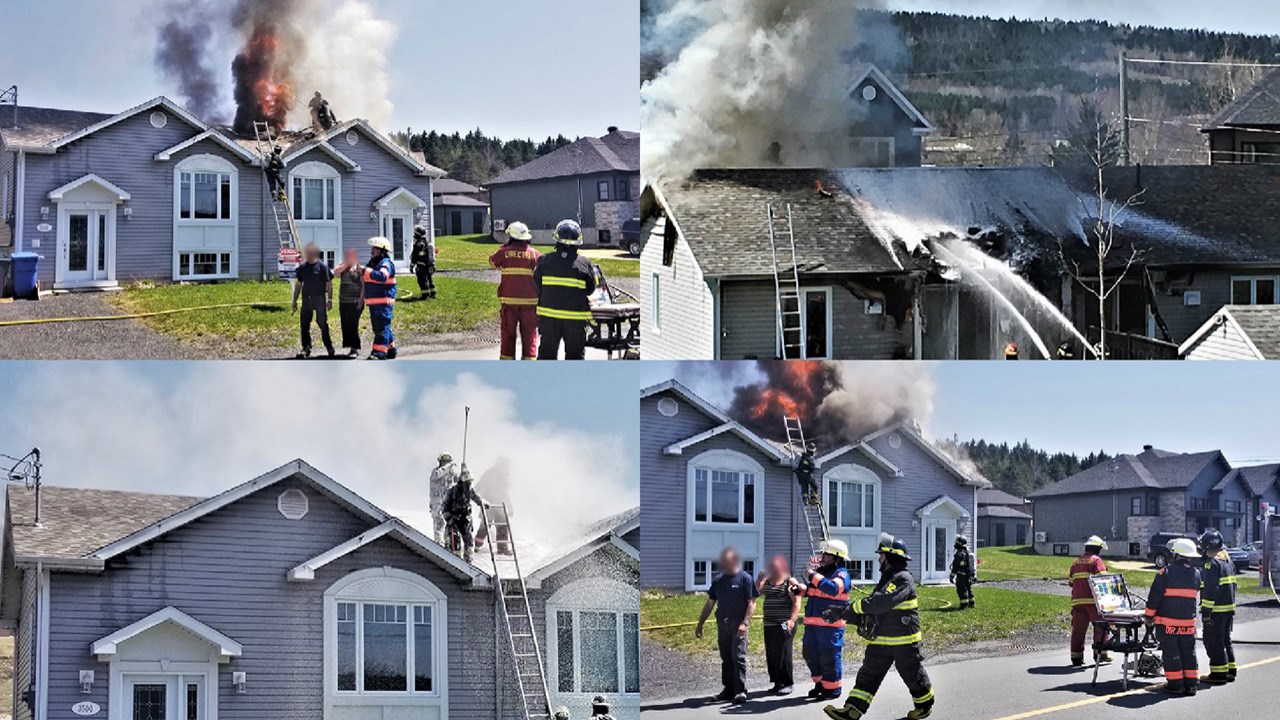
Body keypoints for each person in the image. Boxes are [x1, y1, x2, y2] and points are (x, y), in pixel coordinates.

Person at [823, 534, 934, 720]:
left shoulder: (903, 579)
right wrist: (841, 613)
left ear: (891, 556)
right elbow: (871, 613)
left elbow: (878, 603)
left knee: (912, 674)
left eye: (881, 555)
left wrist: (849, 608)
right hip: (881, 641)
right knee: (868, 674)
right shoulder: (887, 579)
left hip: (904, 642)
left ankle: (924, 706)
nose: (878, 558)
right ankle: (852, 710)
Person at [694, 547, 758, 705]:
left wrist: (745, 623)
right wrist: (700, 623)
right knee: (726, 658)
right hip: (723, 624)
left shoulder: (745, 578)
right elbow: (710, 602)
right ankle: (728, 690)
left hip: (738, 625)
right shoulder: (719, 580)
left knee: (738, 657)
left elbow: (752, 603)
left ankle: (740, 691)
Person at [790, 539, 851, 701]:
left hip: (831, 627)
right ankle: (821, 684)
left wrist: (812, 574)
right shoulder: (822, 573)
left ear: (837, 557)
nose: (822, 557)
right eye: (823, 553)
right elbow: (814, 591)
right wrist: (800, 590)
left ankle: (832, 689)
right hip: (813, 625)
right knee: (810, 654)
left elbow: (832, 589)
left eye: (827, 554)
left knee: (829, 657)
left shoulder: (842, 574)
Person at [1144, 537, 1202, 695]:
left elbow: (1154, 597)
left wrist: (1148, 617)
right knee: (1189, 652)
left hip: (1168, 624)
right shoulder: (1196, 574)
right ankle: (1191, 685)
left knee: (1171, 652)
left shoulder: (1166, 572)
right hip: (1188, 625)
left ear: (1175, 554)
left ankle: (1176, 685)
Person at [534, 219, 596, 360]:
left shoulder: (544, 261)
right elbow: (591, 290)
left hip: (549, 318)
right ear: (578, 242)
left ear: (557, 239)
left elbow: (536, 284)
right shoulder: (584, 263)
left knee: (546, 356)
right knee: (574, 358)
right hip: (575, 320)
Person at [489, 222, 541, 360]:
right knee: (530, 337)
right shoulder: (535, 254)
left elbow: (492, 261)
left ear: (510, 236)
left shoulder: (504, 252)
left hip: (509, 303)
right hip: (530, 304)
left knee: (508, 336)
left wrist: (504, 246)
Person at [757, 555, 801, 695]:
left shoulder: (790, 581)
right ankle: (777, 682)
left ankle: (788, 683)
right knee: (772, 653)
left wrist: (792, 620)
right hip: (769, 623)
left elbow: (797, 602)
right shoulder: (768, 580)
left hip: (784, 623)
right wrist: (759, 578)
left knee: (784, 652)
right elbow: (755, 592)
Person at [1198, 529, 1237, 685]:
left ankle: (1218, 674)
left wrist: (1206, 612)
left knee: (1213, 642)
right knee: (1225, 640)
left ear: (1208, 547)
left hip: (1216, 611)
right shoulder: (1227, 561)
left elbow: (1210, 590)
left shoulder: (1211, 564)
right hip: (1228, 610)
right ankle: (1230, 671)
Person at [1068, 535, 1111, 666]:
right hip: (1094, 602)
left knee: (1078, 630)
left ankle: (1076, 657)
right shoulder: (1096, 560)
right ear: (1098, 549)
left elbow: (1071, 582)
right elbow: (1103, 581)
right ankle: (1100, 654)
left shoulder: (1075, 562)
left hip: (1077, 602)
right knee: (1101, 627)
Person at [291, 243, 335, 359]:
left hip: (319, 299)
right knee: (304, 325)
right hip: (307, 300)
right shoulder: (302, 268)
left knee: (322, 324)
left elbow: (329, 284)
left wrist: (330, 299)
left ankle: (329, 346)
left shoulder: (322, 267)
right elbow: (298, 284)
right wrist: (294, 300)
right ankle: (306, 348)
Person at [441, 467, 488, 562]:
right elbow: (445, 506)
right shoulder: (452, 491)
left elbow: (476, 498)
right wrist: (448, 517)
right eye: (467, 481)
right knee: (454, 540)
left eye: (470, 481)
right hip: (453, 519)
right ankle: (455, 560)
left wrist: (483, 503)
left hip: (465, 519)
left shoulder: (469, 490)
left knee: (469, 540)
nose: (469, 483)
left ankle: (468, 561)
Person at [363, 237, 398, 360]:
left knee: (381, 327)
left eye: (375, 248)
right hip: (374, 302)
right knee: (382, 326)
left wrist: (364, 270)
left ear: (382, 251)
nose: (371, 250)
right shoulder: (373, 263)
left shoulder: (386, 263)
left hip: (383, 303)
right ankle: (391, 350)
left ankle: (379, 353)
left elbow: (382, 276)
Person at [473, 457, 513, 554]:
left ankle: (502, 549)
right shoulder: (490, 474)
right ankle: (476, 546)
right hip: (489, 505)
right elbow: (480, 484)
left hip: (500, 505)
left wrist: (510, 506)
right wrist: (472, 493)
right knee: (485, 526)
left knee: (502, 527)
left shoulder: (504, 476)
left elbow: (505, 493)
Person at [333, 248, 365, 357]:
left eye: (351, 255)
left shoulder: (359, 268)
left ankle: (354, 348)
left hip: (355, 301)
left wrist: (361, 299)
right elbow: (335, 272)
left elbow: (363, 285)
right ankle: (349, 345)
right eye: (347, 255)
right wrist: (346, 264)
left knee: (353, 324)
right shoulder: (343, 266)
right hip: (344, 301)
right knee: (345, 324)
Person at [428, 453, 458, 545]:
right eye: (444, 462)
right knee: (439, 526)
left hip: (448, 505)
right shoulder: (435, 472)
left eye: (447, 462)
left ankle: (448, 545)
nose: (446, 464)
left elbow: (459, 483)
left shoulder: (451, 474)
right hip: (437, 504)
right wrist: (449, 466)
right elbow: (437, 475)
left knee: (449, 527)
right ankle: (439, 545)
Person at [409, 226, 437, 299]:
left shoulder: (418, 244)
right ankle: (433, 293)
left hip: (421, 266)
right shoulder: (427, 243)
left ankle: (425, 294)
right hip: (429, 265)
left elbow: (414, 256)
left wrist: (412, 266)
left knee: (422, 280)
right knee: (429, 279)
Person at [950, 535, 976, 609]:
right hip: (969, 575)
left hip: (961, 575)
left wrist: (952, 576)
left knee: (962, 589)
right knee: (969, 589)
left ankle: (963, 604)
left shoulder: (959, 554)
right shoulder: (969, 552)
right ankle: (971, 603)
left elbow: (955, 566)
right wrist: (973, 575)